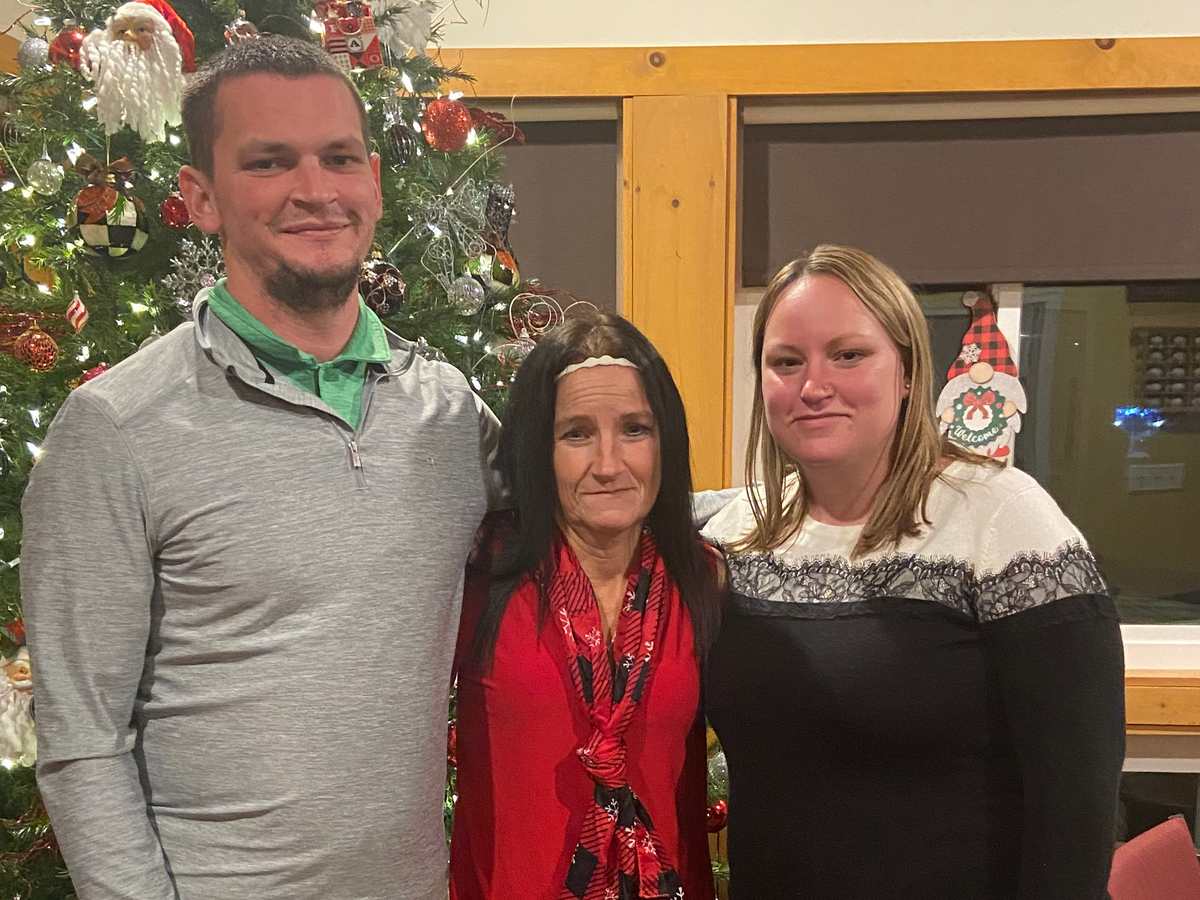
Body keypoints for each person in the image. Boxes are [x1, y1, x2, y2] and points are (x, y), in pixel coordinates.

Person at [22, 36, 497, 900]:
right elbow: (83, 739)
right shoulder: (115, 429)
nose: (315, 190)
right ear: (201, 197)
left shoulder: (449, 412)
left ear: (374, 182)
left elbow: (610, 504)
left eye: (339, 158)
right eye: (269, 162)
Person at [702, 244, 1125, 900]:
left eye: (848, 354)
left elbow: (1076, 803)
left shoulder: (1002, 520)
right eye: (787, 361)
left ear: (907, 371)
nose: (814, 386)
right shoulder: (736, 535)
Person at [450, 312, 721, 900]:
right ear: (539, 449)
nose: (608, 465)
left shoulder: (702, 579)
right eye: (576, 434)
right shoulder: (478, 575)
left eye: (635, 429)